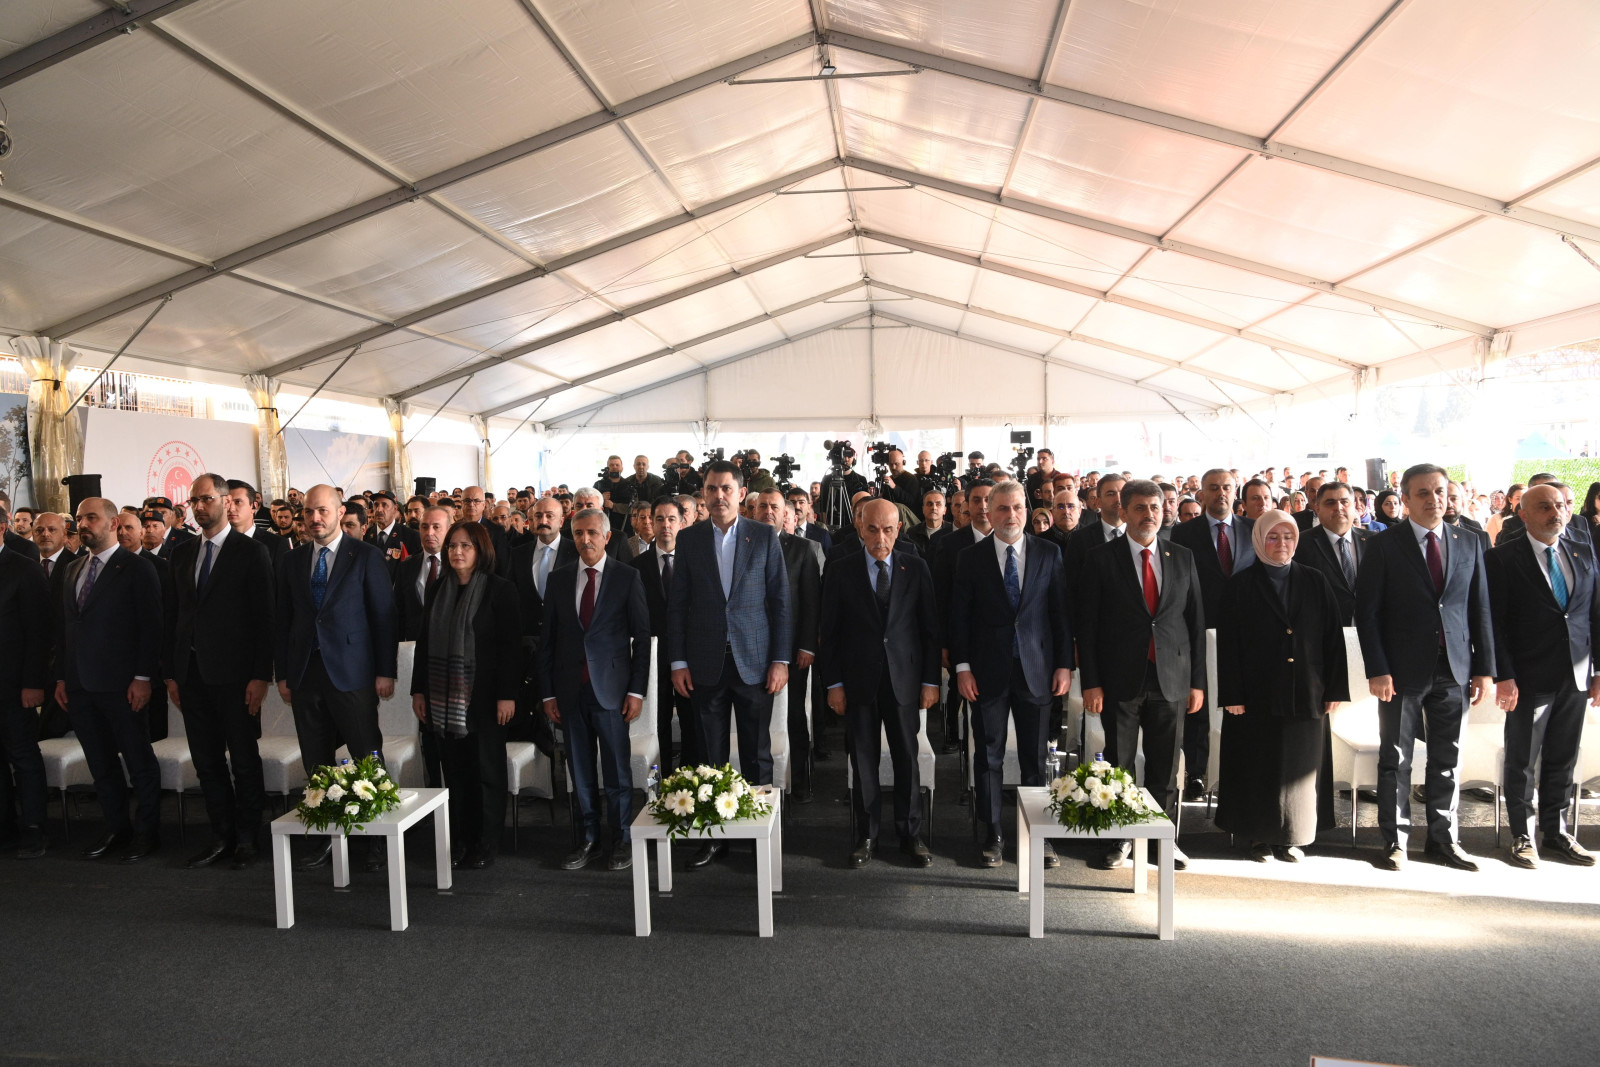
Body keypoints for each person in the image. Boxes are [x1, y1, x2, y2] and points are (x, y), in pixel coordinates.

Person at [1355, 463, 1494, 873]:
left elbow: (1480, 608)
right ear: (1405, 498)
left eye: (1440, 492)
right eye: (1423, 493)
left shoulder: (1470, 541)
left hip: (1455, 668)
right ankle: (1395, 840)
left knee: (1448, 758)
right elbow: (1368, 613)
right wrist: (1378, 668)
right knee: (1395, 757)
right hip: (1400, 671)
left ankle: (1444, 839)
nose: (1434, 500)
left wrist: (1484, 668)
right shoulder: (1383, 544)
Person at [665, 460, 791, 869]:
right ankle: (715, 837)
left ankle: (758, 836)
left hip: (755, 662)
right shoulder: (689, 539)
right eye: (711, 488)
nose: (718, 496)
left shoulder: (764, 535)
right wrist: (678, 661)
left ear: (740, 493)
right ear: (703, 494)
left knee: (757, 753)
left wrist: (780, 660)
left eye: (726, 489)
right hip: (704, 664)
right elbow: (678, 606)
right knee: (709, 754)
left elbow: (780, 602)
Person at [1078, 479, 1206, 872]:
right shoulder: (1101, 558)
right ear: (1123, 511)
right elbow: (1088, 626)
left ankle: (1162, 840)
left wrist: (1197, 682)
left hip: (1171, 678)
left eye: (1155, 507)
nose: (1149, 514)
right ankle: (1120, 838)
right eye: (1139, 507)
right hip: (1119, 679)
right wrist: (1091, 682)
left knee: (1166, 768)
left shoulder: (1182, 556)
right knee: (1120, 764)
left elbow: (1195, 622)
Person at [948, 482, 1073, 868]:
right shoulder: (970, 558)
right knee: (988, 756)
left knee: (1036, 758)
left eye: (1017, 507)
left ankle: (1038, 834)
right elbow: (959, 619)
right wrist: (962, 668)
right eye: (1002, 508)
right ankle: (993, 834)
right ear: (988, 512)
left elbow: (1060, 614)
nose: (1011, 515)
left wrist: (1064, 664)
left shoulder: (1049, 553)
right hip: (985, 673)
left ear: (1027, 509)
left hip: (1037, 671)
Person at [274, 484, 398, 871]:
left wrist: (385, 671)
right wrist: (283, 674)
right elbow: (283, 620)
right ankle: (325, 837)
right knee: (317, 762)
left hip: (353, 673)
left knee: (366, 757)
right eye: (309, 512)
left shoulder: (366, 556)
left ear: (340, 512)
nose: (315, 518)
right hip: (305, 675)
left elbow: (383, 617)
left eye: (323, 511)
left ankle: (377, 839)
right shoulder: (292, 561)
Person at [1214, 510, 1349, 862]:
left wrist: (1335, 689)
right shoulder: (1240, 585)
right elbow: (1228, 645)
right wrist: (1232, 694)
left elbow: (1333, 638)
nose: (1281, 543)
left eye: (1288, 536)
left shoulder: (1315, 580)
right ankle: (1257, 837)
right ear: (1260, 540)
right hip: (1254, 693)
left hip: (1307, 689)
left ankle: (1291, 836)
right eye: (1273, 537)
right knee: (1257, 763)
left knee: (1298, 767)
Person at [819, 498, 939, 868]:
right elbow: (829, 633)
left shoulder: (915, 567)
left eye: (888, 530)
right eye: (872, 529)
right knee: (863, 760)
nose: (880, 538)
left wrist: (931, 681)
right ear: (859, 526)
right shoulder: (840, 570)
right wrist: (833, 684)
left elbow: (930, 631)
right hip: (858, 682)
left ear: (899, 529)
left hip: (905, 681)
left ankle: (910, 833)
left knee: (907, 757)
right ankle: (866, 834)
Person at [1485, 483, 1599, 868]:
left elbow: (1594, 615)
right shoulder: (1502, 559)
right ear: (1523, 514)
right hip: (1528, 677)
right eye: (1545, 507)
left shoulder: (1582, 551)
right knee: (1523, 759)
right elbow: (1494, 624)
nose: (1556, 513)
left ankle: (1556, 831)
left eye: (1561, 505)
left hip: (1576, 673)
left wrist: (1598, 671)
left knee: (1563, 756)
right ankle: (1522, 834)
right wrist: (1503, 674)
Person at [165, 474, 275, 870]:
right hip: (192, 675)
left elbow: (265, 618)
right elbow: (173, 617)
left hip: (237, 676)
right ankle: (221, 835)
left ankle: (247, 838)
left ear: (227, 502)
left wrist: (260, 676)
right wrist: (172, 673)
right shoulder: (181, 553)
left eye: (207, 499)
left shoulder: (251, 552)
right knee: (207, 762)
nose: (199, 506)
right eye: (193, 500)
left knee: (243, 760)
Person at [539, 508, 650, 872]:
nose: (585, 539)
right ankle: (588, 838)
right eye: (578, 533)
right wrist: (548, 694)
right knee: (581, 772)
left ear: (606, 537)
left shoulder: (626, 577)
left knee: (617, 772)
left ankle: (621, 839)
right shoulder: (558, 579)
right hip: (569, 692)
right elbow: (547, 642)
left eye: (591, 533)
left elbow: (642, 640)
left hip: (613, 693)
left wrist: (636, 691)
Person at [55, 497, 163, 863]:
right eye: (79, 518)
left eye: (91, 517)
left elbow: (151, 627)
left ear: (113, 523)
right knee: (100, 765)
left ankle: (147, 833)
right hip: (80, 685)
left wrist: (143, 677)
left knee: (138, 760)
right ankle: (117, 828)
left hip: (123, 684)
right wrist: (61, 678)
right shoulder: (73, 568)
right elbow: (66, 629)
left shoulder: (136, 567)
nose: (83, 524)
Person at [412, 521, 521, 869]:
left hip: (486, 697)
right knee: (455, 771)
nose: (457, 552)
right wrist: (418, 690)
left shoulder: (500, 590)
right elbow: (424, 643)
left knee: (486, 771)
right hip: (443, 698)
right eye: (452, 546)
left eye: (465, 546)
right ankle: (461, 838)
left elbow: (510, 648)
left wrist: (507, 695)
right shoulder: (438, 589)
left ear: (481, 550)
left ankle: (486, 842)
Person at [1169, 468, 1254, 800]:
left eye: (1227, 487)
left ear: (1235, 492)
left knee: (1240, 701)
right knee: (1199, 702)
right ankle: (1196, 771)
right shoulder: (1182, 533)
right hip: (1198, 628)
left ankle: (1238, 770)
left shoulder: (1253, 529)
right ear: (1201, 494)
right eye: (1214, 488)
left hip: (1245, 631)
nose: (1221, 493)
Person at [752, 489, 822, 801]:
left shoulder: (802, 549)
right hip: (751, 649)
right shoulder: (742, 545)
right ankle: (758, 784)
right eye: (762, 506)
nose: (768, 511)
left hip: (793, 650)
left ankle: (801, 780)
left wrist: (807, 645)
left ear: (786, 514)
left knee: (794, 715)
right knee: (756, 719)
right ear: (753, 512)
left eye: (774, 507)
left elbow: (811, 601)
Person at [629, 496, 698, 773]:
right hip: (652, 658)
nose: (665, 525)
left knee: (692, 723)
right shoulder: (636, 567)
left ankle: (691, 781)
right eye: (659, 519)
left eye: (671, 519)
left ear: (682, 523)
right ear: (651, 523)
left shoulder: (696, 562)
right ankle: (662, 781)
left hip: (689, 656)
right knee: (657, 724)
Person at [0, 527, 51, 858]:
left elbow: (39, 631)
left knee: (23, 757)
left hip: (15, 685)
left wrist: (33, 683)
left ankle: (34, 828)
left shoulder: (23, 567)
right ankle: (4, 827)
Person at [1292, 481, 1370, 625]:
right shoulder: (1300, 544)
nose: (1338, 507)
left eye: (1344, 502)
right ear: (1317, 508)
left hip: (1369, 628)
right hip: (1325, 629)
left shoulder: (1374, 541)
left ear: (1354, 506)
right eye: (1330, 502)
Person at [225, 480, 288, 572]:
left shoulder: (276, 544)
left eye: (238, 502)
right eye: (227, 502)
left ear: (254, 506)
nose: (231, 508)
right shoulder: (216, 543)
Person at [460, 485, 514, 577]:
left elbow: (502, 564)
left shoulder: (496, 531)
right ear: (462, 504)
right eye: (467, 501)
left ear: (483, 505)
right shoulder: (454, 529)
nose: (471, 504)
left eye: (476, 501)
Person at [365, 490, 420, 568]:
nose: (379, 509)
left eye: (384, 505)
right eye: (376, 505)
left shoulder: (410, 536)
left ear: (395, 509)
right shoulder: (366, 534)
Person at [906, 488, 948, 555]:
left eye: (938, 504)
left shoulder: (952, 531)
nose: (934, 508)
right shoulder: (912, 532)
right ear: (923, 509)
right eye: (929, 504)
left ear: (944, 510)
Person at [32, 512, 74, 578]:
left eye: (52, 530)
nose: (45, 534)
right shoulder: (26, 563)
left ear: (64, 534)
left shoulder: (77, 564)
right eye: (39, 530)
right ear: (33, 535)